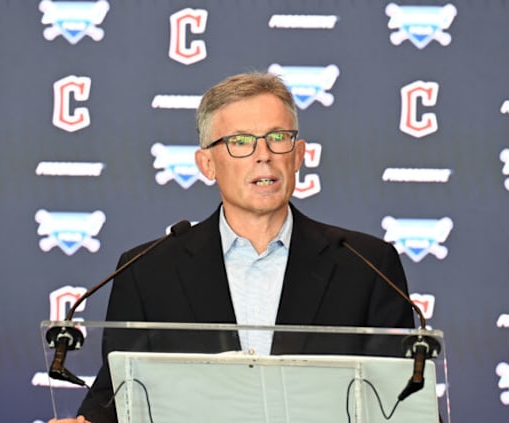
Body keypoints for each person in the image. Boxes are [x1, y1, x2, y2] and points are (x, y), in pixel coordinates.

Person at [51, 72, 415, 423]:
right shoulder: (147, 271)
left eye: (278, 137)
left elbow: (402, 402)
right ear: (207, 163)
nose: (264, 155)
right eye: (241, 141)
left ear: (299, 154)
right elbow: (115, 397)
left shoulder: (366, 266)